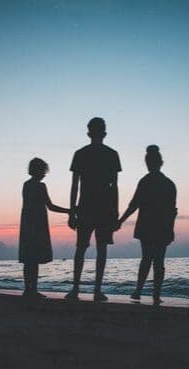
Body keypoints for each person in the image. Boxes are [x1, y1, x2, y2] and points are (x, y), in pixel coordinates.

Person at [65, 117, 122, 301]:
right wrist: (116, 212)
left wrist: (72, 211)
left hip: (85, 208)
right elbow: (115, 187)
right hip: (104, 209)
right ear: (104, 133)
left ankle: (75, 289)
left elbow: (74, 186)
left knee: (81, 248)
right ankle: (97, 290)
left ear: (89, 133)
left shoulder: (80, 153)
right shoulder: (112, 154)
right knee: (101, 249)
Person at [116, 145, 177, 305]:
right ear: (161, 163)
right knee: (158, 262)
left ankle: (138, 291)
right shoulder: (169, 184)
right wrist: (171, 229)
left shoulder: (146, 181)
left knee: (147, 260)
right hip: (162, 227)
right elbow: (172, 211)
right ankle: (155, 294)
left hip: (148, 226)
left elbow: (133, 205)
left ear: (149, 163)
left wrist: (120, 221)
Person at [19, 158, 71, 297]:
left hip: (27, 223)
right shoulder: (40, 186)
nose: (44, 174)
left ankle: (27, 289)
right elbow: (51, 206)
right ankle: (33, 290)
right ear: (39, 170)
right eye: (43, 171)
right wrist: (70, 211)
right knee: (34, 259)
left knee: (28, 259)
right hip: (37, 223)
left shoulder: (26, 185)